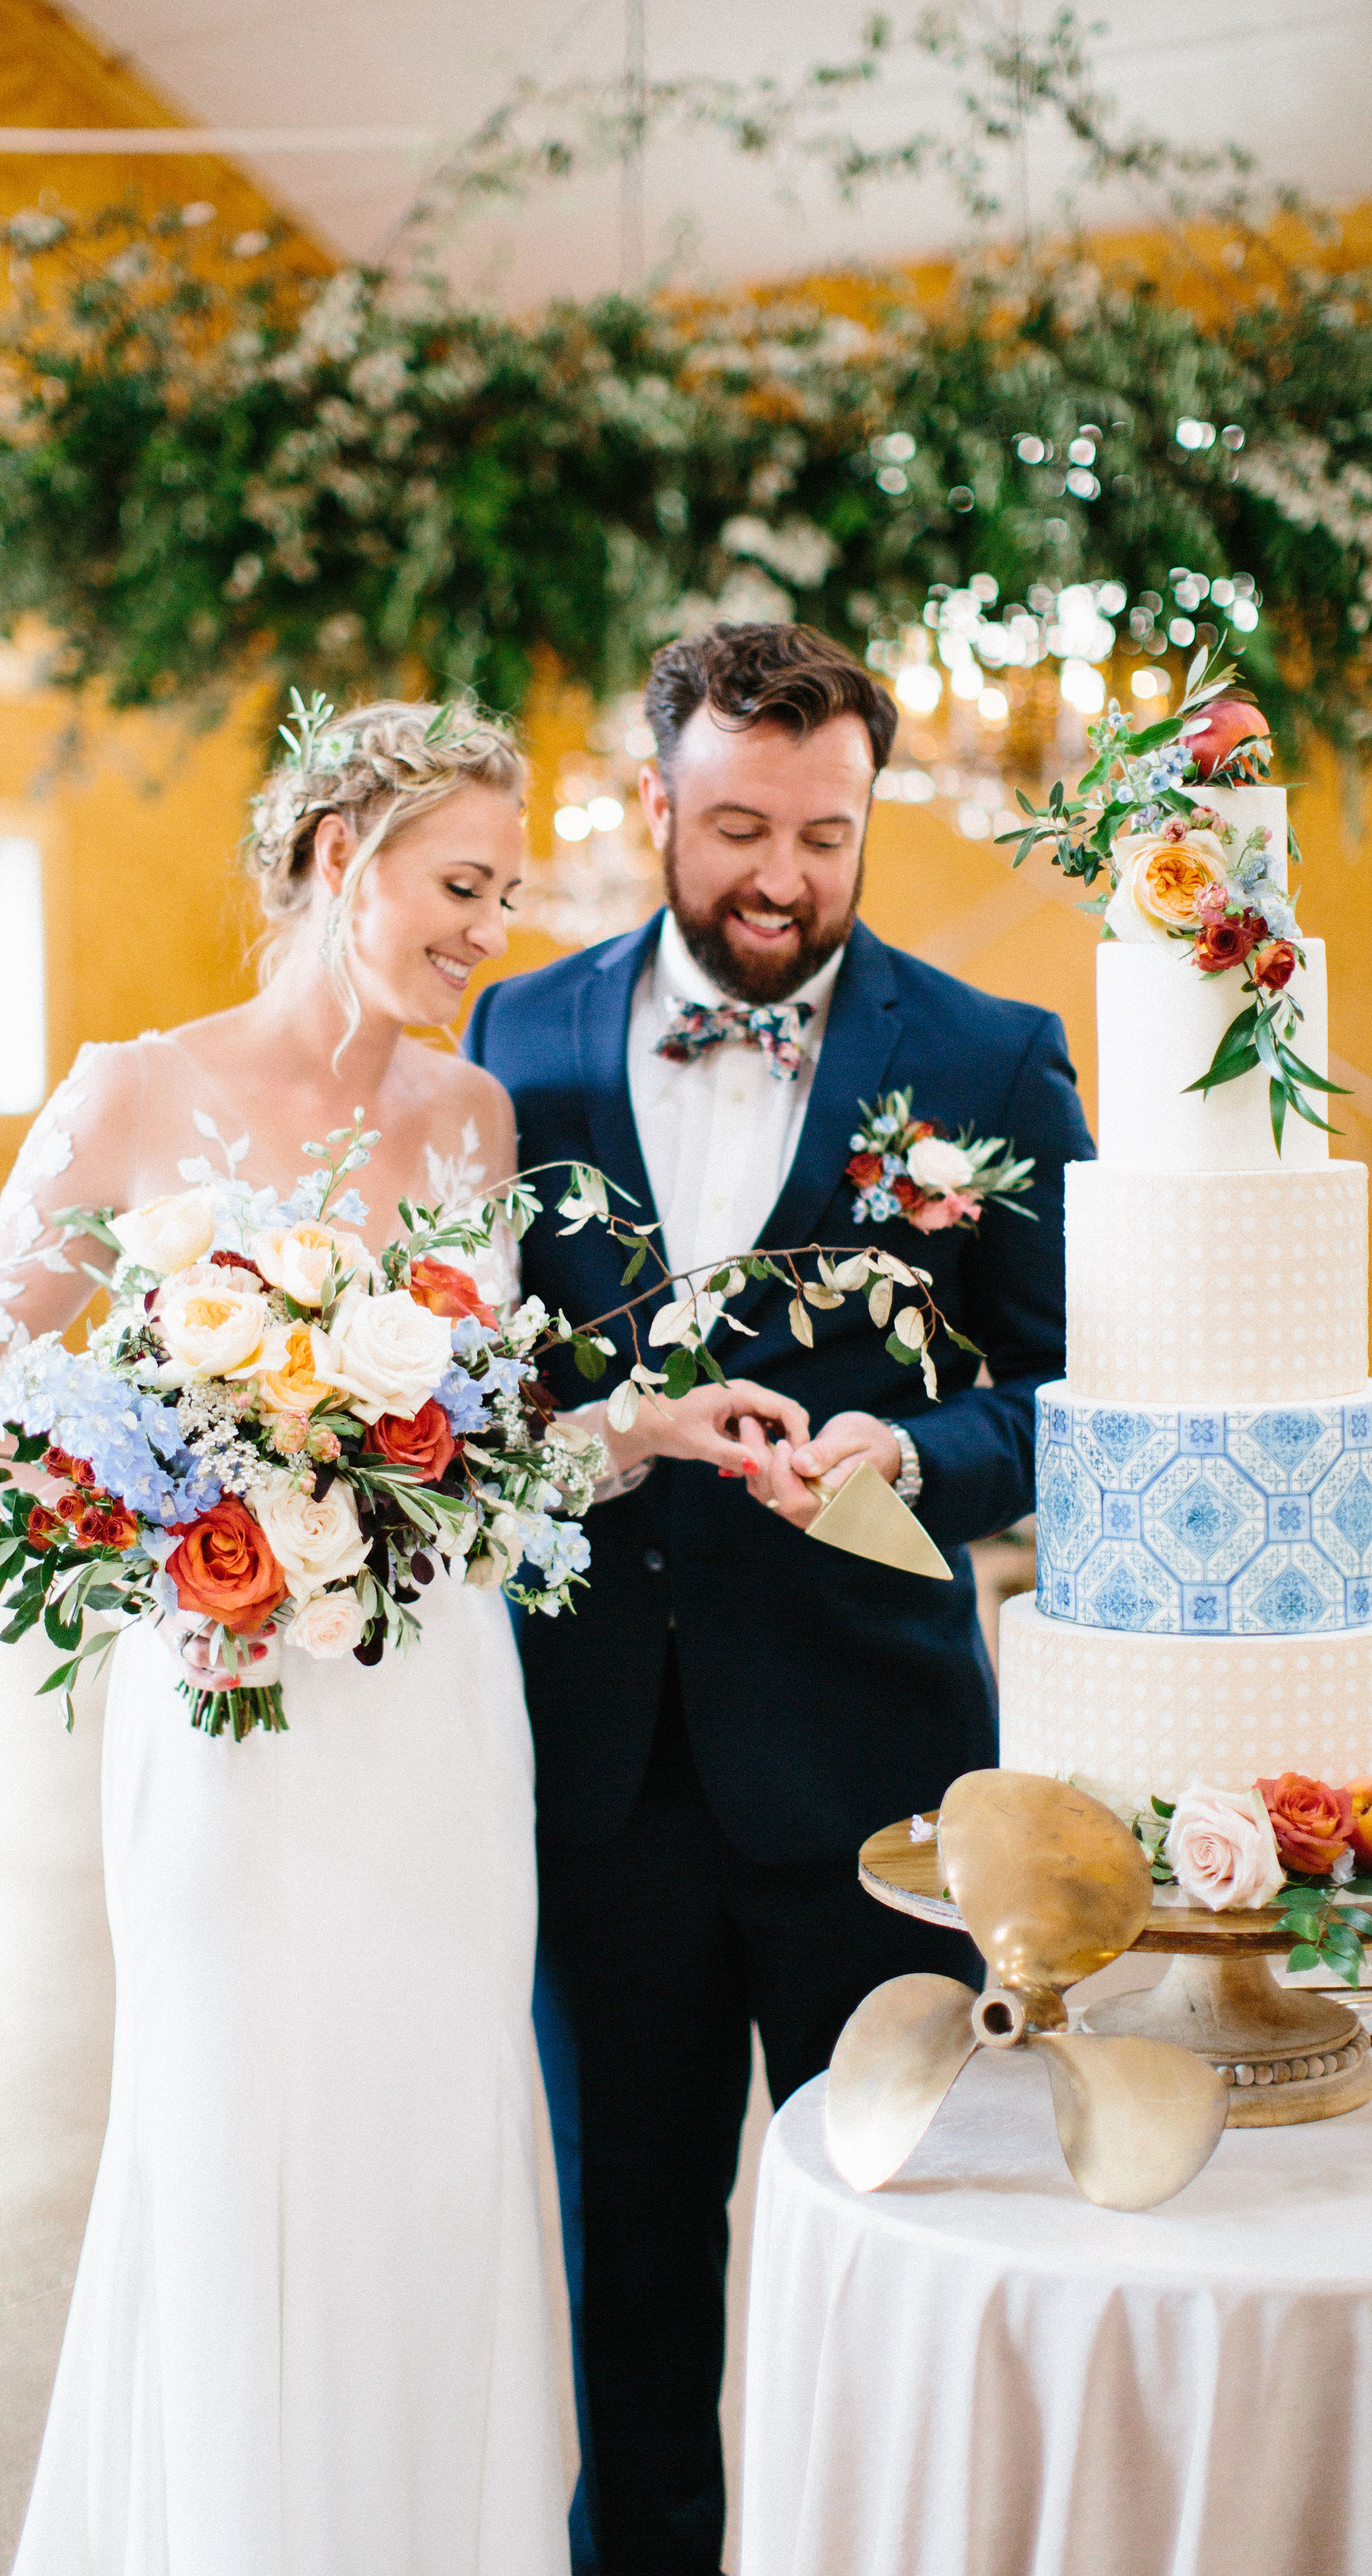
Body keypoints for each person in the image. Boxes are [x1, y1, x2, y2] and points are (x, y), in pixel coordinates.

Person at [0, 697, 803, 2576]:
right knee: (235, 2124)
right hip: (229, 1710)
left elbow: (490, 1457)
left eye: (507, 895)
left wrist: (641, 1428)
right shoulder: (133, 1093)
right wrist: (184, 1517)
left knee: (433, 2132)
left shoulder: (472, 1120)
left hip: (438, 1719)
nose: (490, 931)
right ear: (342, 859)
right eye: (461, 886)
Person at [464, 620, 1095, 2575]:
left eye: (826, 836)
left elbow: (1076, 1393)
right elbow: (466, 1384)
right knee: (627, 2258)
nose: (781, 880)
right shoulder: (517, 1038)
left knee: (910, 2242)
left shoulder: (989, 1058)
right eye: (738, 827)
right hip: (603, 1766)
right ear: (655, 802)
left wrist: (923, 1455)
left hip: (876, 1775)